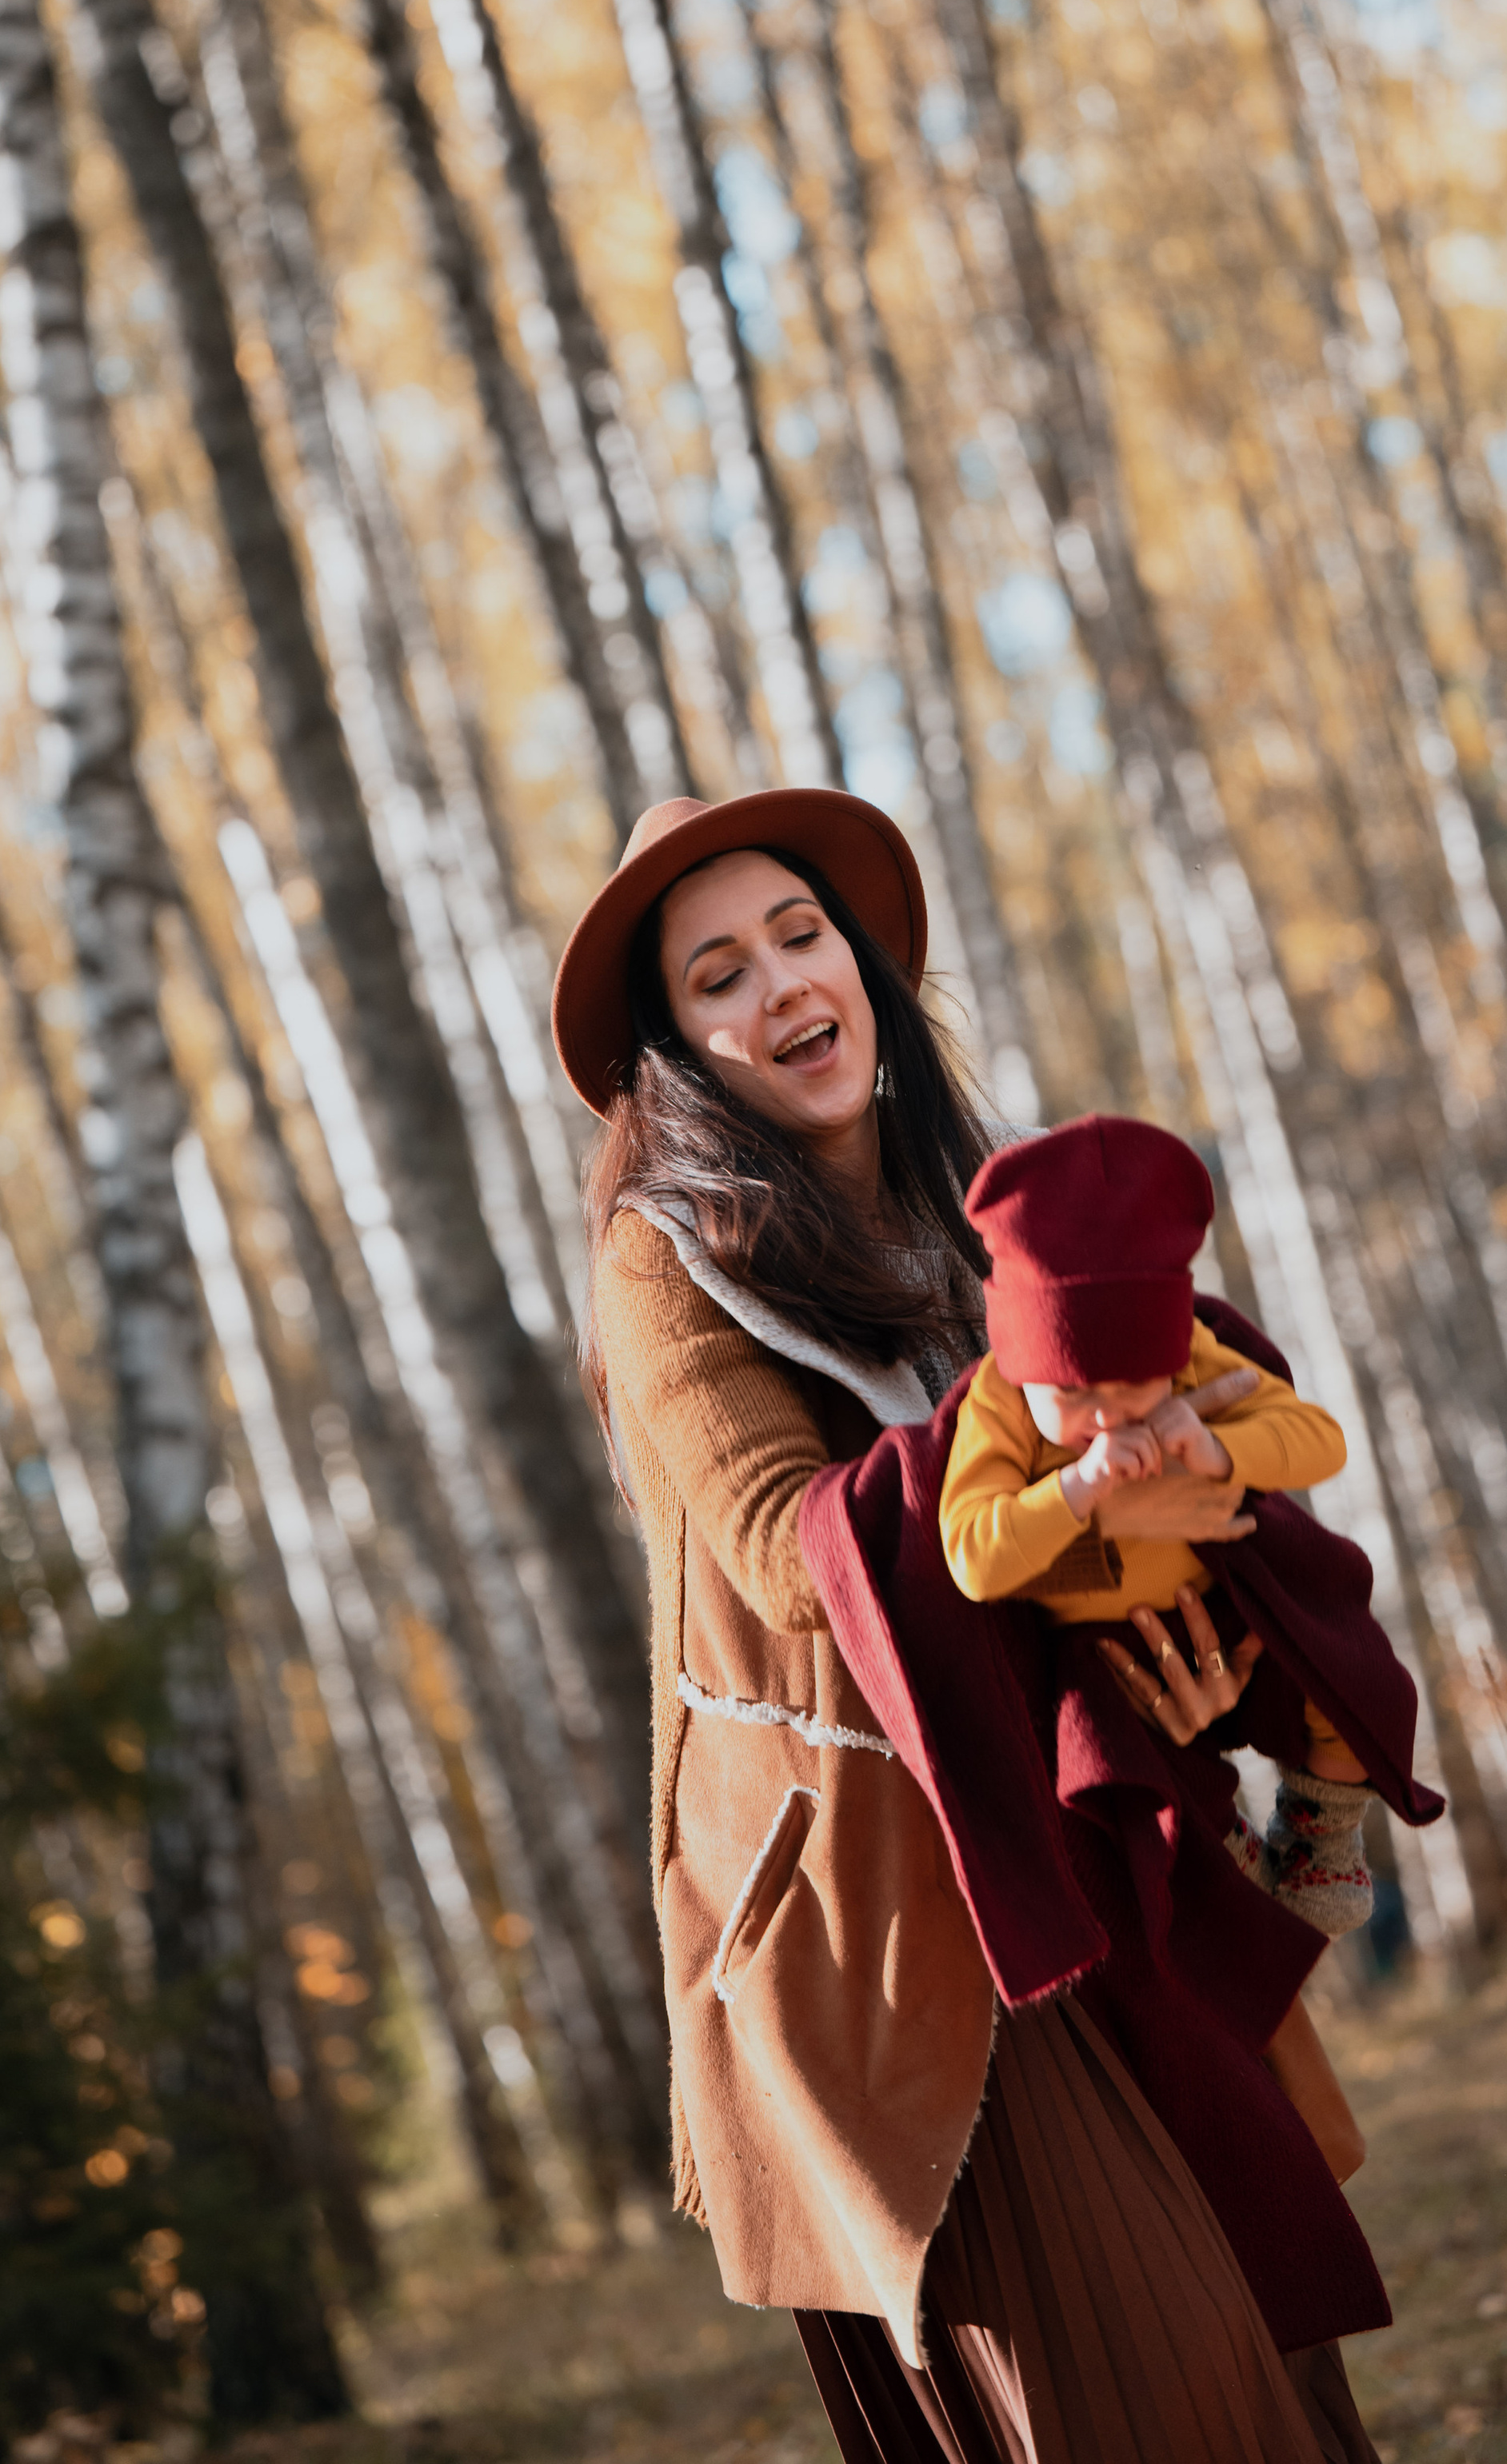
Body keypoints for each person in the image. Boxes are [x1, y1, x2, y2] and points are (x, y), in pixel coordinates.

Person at [555, 786, 1389, 2464]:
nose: (781, 985)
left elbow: (1093, 1553)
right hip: (892, 1918)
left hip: (1082, 1841)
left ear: (862, 966)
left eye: (800, 936)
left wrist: (1177, 1645)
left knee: (1269, 2357)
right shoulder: (666, 1262)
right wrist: (1055, 1449)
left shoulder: (978, 1227)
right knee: (1147, 2388)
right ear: (677, 1049)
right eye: (719, 975)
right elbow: (793, 1559)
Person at [941, 1114, 1379, 1936]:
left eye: (1135, 1387)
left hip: (1219, 1597)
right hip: (1098, 1651)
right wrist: (1079, 1488)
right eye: (1074, 1395)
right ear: (1024, 1364)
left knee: (1349, 1664)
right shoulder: (1001, 1403)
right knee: (1118, 1771)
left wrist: (1215, 1447)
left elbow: (1320, 1440)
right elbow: (970, 1554)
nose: (1108, 1415)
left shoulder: (1187, 1356)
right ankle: (1225, 1859)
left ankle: (1322, 1831)